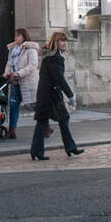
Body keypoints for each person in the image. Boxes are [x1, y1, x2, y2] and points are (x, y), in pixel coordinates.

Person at [30, 32, 83, 161]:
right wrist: (70, 95)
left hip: (45, 94)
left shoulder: (50, 57)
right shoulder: (55, 58)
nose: (65, 43)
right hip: (51, 95)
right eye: (62, 41)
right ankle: (68, 147)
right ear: (56, 42)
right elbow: (59, 79)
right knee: (58, 120)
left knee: (46, 121)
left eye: (65, 41)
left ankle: (37, 151)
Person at [2, 28, 40, 140]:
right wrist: (7, 72)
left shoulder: (31, 49)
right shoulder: (13, 49)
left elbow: (32, 65)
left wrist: (19, 73)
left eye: (18, 36)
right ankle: (11, 131)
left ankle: (45, 126)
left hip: (27, 81)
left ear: (24, 36)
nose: (16, 38)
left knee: (33, 105)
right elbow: (9, 63)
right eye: (15, 36)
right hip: (15, 82)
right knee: (13, 105)